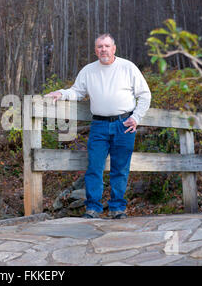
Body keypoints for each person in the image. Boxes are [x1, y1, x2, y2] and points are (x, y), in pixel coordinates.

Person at [44, 34, 151, 219]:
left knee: (120, 168)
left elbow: (145, 95)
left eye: (107, 46)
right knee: (94, 167)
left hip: (123, 125)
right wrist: (61, 93)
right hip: (99, 125)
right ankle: (93, 208)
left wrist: (136, 117)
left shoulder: (128, 67)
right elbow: (77, 91)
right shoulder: (89, 70)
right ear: (95, 50)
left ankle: (118, 208)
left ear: (114, 48)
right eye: (100, 46)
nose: (103, 49)